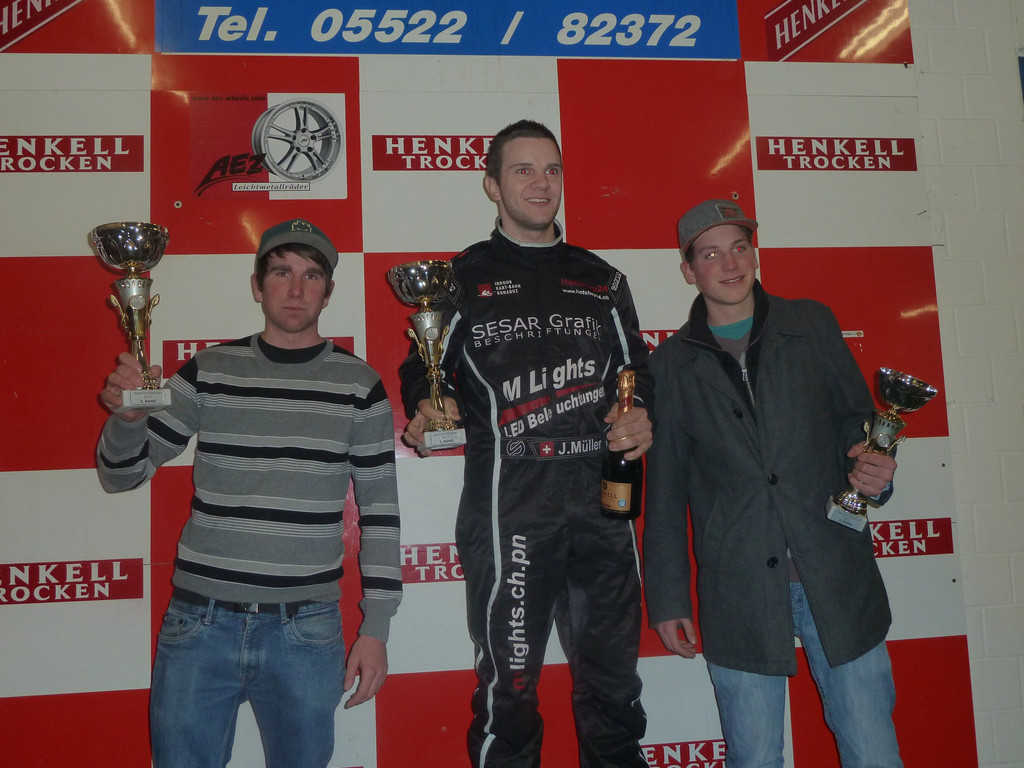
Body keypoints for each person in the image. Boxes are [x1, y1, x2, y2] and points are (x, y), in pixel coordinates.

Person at [96, 218, 402, 768]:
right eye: (281, 272)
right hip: (199, 624)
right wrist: (128, 419)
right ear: (257, 286)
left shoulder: (360, 386)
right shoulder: (208, 371)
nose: (296, 289)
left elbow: (380, 514)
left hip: (306, 630)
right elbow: (122, 475)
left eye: (312, 276)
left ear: (329, 291)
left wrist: (376, 628)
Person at [399, 119, 652, 767]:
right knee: (509, 696)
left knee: (614, 692)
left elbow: (638, 374)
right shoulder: (459, 278)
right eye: (523, 170)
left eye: (552, 170)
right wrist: (428, 401)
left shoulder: (603, 280)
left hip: (603, 514)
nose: (541, 183)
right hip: (509, 516)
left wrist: (640, 414)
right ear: (492, 185)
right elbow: (422, 370)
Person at [643, 199, 903, 768]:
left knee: (873, 751)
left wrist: (871, 466)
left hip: (836, 573)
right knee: (755, 757)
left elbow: (855, 423)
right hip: (737, 590)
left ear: (755, 254)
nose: (729, 263)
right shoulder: (669, 367)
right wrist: (668, 598)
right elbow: (662, 496)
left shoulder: (812, 324)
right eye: (710, 254)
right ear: (688, 270)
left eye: (740, 247)